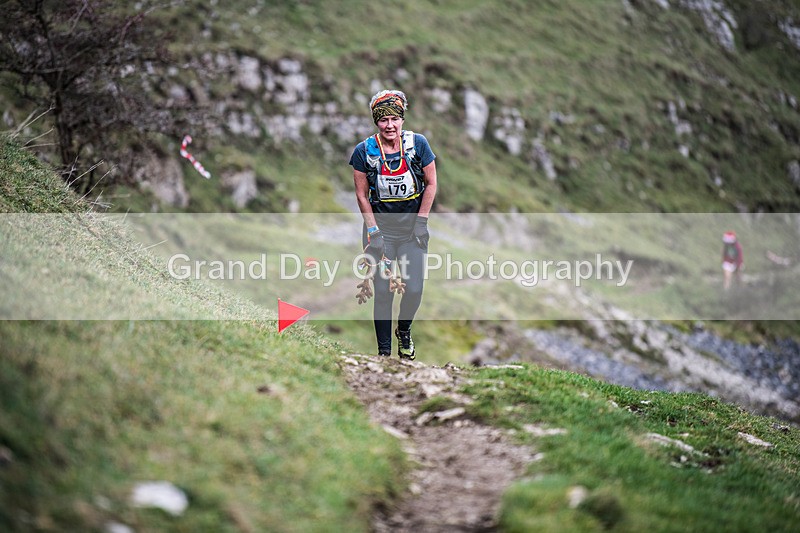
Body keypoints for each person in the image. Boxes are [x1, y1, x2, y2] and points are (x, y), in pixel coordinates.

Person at [349, 89, 438, 359]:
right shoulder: (364, 151)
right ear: (376, 122)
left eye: (394, 119)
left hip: (412, 232)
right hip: (380, 232)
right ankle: (384, 355)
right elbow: (362, 195)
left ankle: (405, 330)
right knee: (384, 292)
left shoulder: (418, 145)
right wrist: (373, 232)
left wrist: (421, 222)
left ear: (402, 119)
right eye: (383, 120)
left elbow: (431, 183)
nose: (390, 125)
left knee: (413, 288)